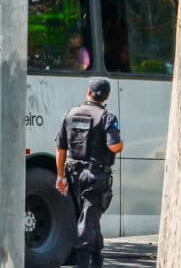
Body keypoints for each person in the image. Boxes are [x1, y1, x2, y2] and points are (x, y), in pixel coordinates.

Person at [55, 77, 124, 268]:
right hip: (96, 177)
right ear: (107, 96)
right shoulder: (107, 117)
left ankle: (96, 261)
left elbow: (61, 150)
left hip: (73, 174)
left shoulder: (70, 114)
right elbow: (115, 146)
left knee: (90, 217)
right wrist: (120, 144)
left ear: (88, 93)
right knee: (88, 219)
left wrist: (60, 176)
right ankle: (83, 263)